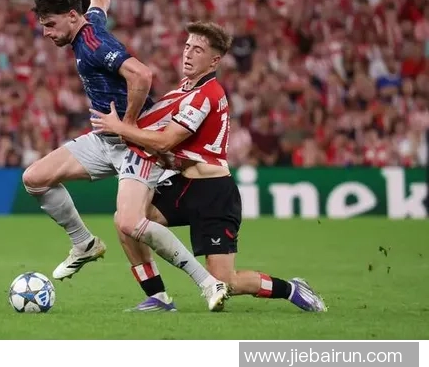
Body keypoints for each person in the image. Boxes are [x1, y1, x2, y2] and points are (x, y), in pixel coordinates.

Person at [23, 0, 230, 311]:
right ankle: (85, 244)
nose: (46, 32)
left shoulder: (93, 44)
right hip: (104, 138)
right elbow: (99, 3)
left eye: (50, 24)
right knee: (35, 178)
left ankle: (209, 283)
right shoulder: (88, 25)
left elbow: (142, 75)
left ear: (71, 17)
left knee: (130, 222)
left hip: (133, 144)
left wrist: (128, 125)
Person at [91, 21, 327, 313]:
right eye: (187, 46)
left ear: (214, 61)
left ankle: (290, 288)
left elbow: (165, 141)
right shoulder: (185, 89)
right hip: (184, 185)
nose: (188, 54)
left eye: (198, 50)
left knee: (226, 282)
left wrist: (120, 127)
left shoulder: (207, 94)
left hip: (214, 193)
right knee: (127, 221)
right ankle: (158, 297)